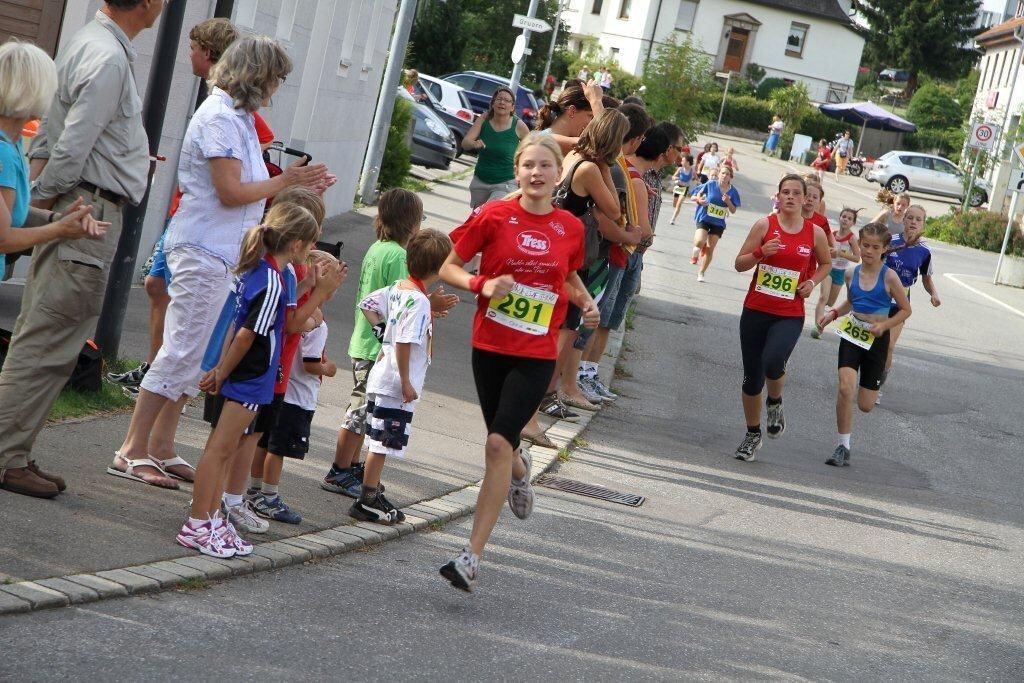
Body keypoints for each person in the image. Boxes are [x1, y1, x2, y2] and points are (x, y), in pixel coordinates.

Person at [110, 35, 332, 489]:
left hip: (222, 253)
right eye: (277, 76)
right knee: (181, 348)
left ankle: (163, 446)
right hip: (202, 247)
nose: (278, 85)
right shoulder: (218, 118)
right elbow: (230, 192)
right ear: (257, 74)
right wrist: (286, 180)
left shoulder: (240, 119)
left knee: (196, 355)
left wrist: (298, 188)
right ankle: (132, 449)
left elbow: (250, 189)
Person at [0, 0, 163, 499]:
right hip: (86, 205)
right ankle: (6, 456)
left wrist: (34, 204)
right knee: (49, 340)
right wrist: (46, 211)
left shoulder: (93, 44)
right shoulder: (109, 57)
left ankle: (15, 450)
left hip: (77, 202)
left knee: (46, 335)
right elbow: (71, 143)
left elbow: (58, 136)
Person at [437, 133, 599, 592]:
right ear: (517, 170)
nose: (536, 173)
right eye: (529, 165)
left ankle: (470, 557)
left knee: (494, 445)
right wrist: (479, 285)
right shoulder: (493, 215)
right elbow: (450, 265)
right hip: (489, 347)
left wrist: (585, 302)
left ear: (558, 174)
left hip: (535, 351)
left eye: (546, 166)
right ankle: (520, 471)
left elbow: (567, 275)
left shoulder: (570, 226)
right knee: (502, 446)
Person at [108, 18, 273, 396]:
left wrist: (272, 180)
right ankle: (154, 383)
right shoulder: (219, 112)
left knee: (186, 338)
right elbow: (228, 184)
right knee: (161, 294)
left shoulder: (237, 116)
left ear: (212, 55)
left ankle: (158, 385)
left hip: (206, 231)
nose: (190, 55)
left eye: (195, 48)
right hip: (198, 228)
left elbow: (237, 179)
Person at [177, 204, 320, 557]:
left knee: (222, 450)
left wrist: (221, 369)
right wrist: (222, 371)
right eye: (312, 244)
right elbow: (245, 334)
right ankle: (198, 523)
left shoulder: (262, 270)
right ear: (298, 244)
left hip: (244, 374)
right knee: (220, 450)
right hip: (251, 376)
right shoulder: (271, 279)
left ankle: (211, 518)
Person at [322, 189, 458, 497]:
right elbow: (404, 301)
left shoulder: (377, 248)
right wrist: (429, 304)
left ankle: (352, 465)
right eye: (420, 220)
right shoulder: (398, 255)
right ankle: (340, 469)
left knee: (364, 409)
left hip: (367, 341)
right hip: (378, 349)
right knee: (359, 411)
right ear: (411, 225)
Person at [349, 229, 452, 524]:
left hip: (383, 376)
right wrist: (406, 380)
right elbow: (406, 341)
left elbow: (367, 304)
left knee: (379, 436)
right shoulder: (418, 302)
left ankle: (371, 491)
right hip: (396, 382)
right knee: (382, 441)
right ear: (440, 268)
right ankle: (367, 498)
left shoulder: (398, 288)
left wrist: (383, 333)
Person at [578, 122, 683, 403]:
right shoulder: (634, 177)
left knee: (608, 319)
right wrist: (641, 232)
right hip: (621, 253)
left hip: (631, 254)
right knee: (600, 316)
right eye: (679, 148)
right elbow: (637, 226)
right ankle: (580, 374)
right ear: (667, 149)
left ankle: (588, 372)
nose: (682, 155)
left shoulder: (647, 177)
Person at [732, 174, 831, 462]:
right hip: (755, 310)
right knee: (752, 380)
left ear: (804, 198)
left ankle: (775, 402)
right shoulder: (765, 225)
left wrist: (812, 282)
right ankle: (752, 435)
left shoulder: (815, 233)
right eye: (784, 192)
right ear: (778, 197)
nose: (789, 197)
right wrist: (761, 252)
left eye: (795, 193)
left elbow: (825, 263)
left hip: (789, 313)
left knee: (773, 361)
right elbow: (739, 264)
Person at [0, 41, 108, 288]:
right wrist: (59, 229)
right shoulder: (3, 151)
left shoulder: (13, 144)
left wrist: (55, 218)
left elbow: (9, 210)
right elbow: (2, 238)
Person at [818, 222, 911, 466]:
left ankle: (876, 380)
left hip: (877, 340)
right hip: (852, 334)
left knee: (866, 405)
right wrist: (833, 314)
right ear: (859, 244)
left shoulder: (889, 277)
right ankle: (842, 446)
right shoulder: (851, 274)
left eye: (875, 247)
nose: (868, 251)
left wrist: (884, 326)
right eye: (865, 245)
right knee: (846, 387)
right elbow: (851, 301)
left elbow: (905, 309)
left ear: (884, 249)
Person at [251, 306, 334, 524]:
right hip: (297, 397)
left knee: (263, 443)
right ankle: (269, 497)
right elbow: (310, 364)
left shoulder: (294, 314)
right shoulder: (317, 324)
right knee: (277, 450)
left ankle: (254, 490)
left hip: (278, 389)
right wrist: (328, 368)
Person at [880, 204, 940, 400]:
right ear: (903, 220)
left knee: (889, 345)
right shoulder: (890, 241)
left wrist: (934, 294)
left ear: (923, 224)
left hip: (900, 303)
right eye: (910, 218)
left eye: (918, 219)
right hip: (879, 297)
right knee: (870, 341)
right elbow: (873, 263)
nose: (913, 222)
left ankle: (877, 384)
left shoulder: (925, 252)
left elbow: (926, 278)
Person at [463, 87, 530, 208]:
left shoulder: (519, 125)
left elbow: (532, 150)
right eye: (499, 99)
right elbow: (465, 143)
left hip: (506, 183)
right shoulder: (484, 119)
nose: (502, 102)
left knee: (491, 211)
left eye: (507, 100)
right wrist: (474, 144)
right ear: (493, 103)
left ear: (512, 107)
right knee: (478, 219)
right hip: (480, 180)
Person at [811, 207, 861, 339]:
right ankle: (818, 327)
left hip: (840, 272)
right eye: (844, 216)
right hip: (827, 269)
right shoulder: (831, 234)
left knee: (830, 302)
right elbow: (822, 249)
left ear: (853, 223)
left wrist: (840, 253)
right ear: (839, 218)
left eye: (849, 218)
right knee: (823, 297)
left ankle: (822, 317)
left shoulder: (851, 238)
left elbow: (857, 258)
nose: (845, 220)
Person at [689, 164, 739, 283]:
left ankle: (701, 272)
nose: (724, 175)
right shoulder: (711, 184)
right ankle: (696, 251)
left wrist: (728, 201)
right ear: (719, 174)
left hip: (718, 223)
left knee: (710, 249)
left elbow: (733, 210)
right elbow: (696, 196)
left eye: (727, 174)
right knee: (699, 241)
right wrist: (699, 200)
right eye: (722, 173)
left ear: (730, 177)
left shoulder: (733, 192)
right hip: (705, 218)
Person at [533, 80, 607, 155]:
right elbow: (604, 145)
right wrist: (596, 101)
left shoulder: (548, 137)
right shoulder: (548, 140)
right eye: (590, 116)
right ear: (572, 111)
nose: (591, 123)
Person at [669, 154, 694, 225]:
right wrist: (675, 178)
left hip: (685, 188)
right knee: (674, 204)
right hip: (678, 187)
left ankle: (673, 219)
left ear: (688, 162)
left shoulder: (692, 170)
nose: (681, 162)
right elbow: (673, 176)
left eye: (683, 161)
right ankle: (676, 210)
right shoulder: (680, 169)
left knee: (679, 204)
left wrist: (696, 181)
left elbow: (696, 178)